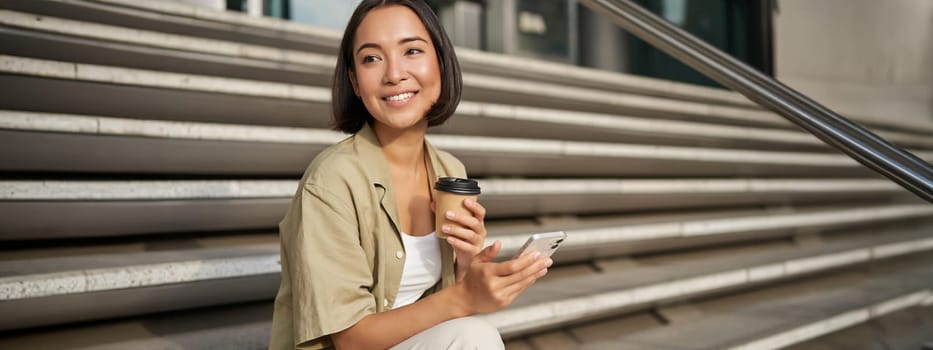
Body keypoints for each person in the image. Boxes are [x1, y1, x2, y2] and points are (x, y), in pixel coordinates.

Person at [268, 1, 552, 349]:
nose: (394, 74)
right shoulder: (331, 182)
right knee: (476, 336)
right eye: (372, 58)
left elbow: (439, 310)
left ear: (441, 63)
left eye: (412, 51)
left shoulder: (450, 171)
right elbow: (350, 339)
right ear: (355, 82)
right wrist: (464, 298)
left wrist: (466, 264)